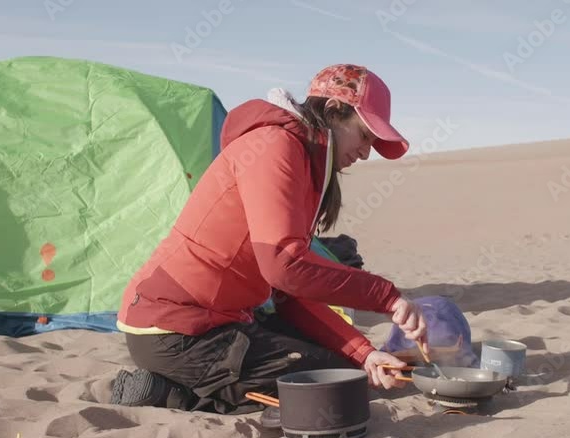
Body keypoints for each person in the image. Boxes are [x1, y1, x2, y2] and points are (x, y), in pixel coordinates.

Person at [109, 64, 428, 415]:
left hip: (222, 319)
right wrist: (386, 297)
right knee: (326, 384)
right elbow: (284, 265)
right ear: (335, 111)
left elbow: (289, 291)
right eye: (365, 136)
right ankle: (166, 393)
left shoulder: (304, 162)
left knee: (344, 366)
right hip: (174, 330)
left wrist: (363, 354)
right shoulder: (274, 146)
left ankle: (189, 382)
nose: (366, 153)